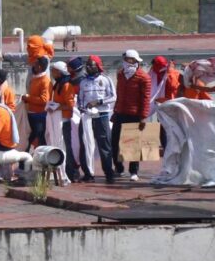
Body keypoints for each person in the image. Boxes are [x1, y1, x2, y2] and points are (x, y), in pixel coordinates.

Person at [112, 49, 151, 181]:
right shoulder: (121, 74)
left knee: (133, 143)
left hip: (134, 114)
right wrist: (115, 110)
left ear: (135, 60)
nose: (126, 62)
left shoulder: (143, 77)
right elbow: (119, 94)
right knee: (115, 142)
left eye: (129, 59)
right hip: (120, 112)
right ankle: (119, 168)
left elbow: (146, 98)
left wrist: (143, 116)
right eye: (125, 59)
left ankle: (133, 171)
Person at [77, 55, 117, 183]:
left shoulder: (105, 80)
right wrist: (82, 108)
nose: (88, 68)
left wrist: (98, 102)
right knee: (86, 144)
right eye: (87, 65)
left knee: (104, 145)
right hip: (87, 116)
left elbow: (113, 97)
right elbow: (80, 99)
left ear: (98, 66)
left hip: (102, 115)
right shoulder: (83, 82)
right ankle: (88, 173)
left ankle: (108, 173)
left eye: (91, 65)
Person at [48, 61, 78, 182]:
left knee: (66, 148)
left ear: (59, 73)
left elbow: (70, 106)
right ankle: (62, 171)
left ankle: (71, 173)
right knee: (60, 146)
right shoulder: (58, 85)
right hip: (57, 120)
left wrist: (56, 107)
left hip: (64, 121)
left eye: (54, 71)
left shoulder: (66, 86)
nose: (52, 73)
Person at [148, 56, 181, 155]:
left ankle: (173, 148)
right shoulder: (153, 73)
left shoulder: (172, 73)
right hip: (160, 105)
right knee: (162, 127)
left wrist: (170, 71)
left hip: (172, 104)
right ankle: (166, 147)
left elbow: (173, 86)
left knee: (172, 128)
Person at [22, 56, 51, 151]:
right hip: (32, 113)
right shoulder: (35, 78)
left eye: (35, 64)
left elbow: (44, 99)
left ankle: (42, 161)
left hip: (39, 115)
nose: (33, 66)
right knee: (28, 137)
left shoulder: (45, 80)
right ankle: (25, 160)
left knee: (40, 138)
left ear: (39, 67)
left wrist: (28, 98)